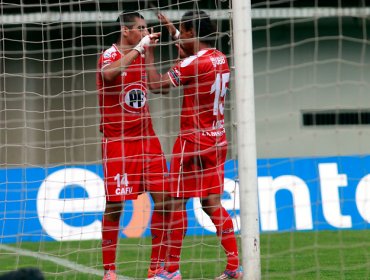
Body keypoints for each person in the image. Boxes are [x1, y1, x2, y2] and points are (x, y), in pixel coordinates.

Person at [145, 10, 243, 280]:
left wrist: (148, 52)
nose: (180, 35)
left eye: (183, 31)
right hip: (217, 140)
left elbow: (156, 86)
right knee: (211, 203)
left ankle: (172, 270)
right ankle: (234, 266)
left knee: (176, 202)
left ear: (191, 32)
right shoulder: (219, 58)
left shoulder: (191, 65)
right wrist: (171, 29)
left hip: (192, 142)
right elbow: (191, 47)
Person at [96, 11, 171, 280]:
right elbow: (108, 75)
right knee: (114, 206)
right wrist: (138, 50)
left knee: (165, 201)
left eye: (145, 27)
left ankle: (156, 268)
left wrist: (148, 55)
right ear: (125, 31)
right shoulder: (110, 54)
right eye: (139, 28)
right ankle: (110, 270)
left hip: (147, 140)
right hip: (118, 142)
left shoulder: (143, 53)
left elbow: (157, 87)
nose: (145, 31)